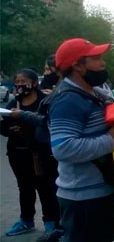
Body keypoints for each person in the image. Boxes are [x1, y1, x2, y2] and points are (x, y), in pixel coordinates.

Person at [49, 38, 114, 242]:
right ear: (77, 65)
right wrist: (110, 140)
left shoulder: (94, 92)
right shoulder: (68, 100)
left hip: (100, 191)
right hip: (83, 199)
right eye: (96, 58)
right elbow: (63, 148)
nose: (103, 63)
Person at [1, 69, 61, 238]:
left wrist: (28, 126)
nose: (20, 85)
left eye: (24, 81)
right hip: (17, 153)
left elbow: (46, 124)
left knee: (46, 189)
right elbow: (3, 127)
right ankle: (26, 220)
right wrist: (11, 130)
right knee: (25, 188)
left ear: (34, 83)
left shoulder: (44, 102)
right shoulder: (14, 102)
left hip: (40, 154)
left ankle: (51, 223)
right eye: (17, 81)